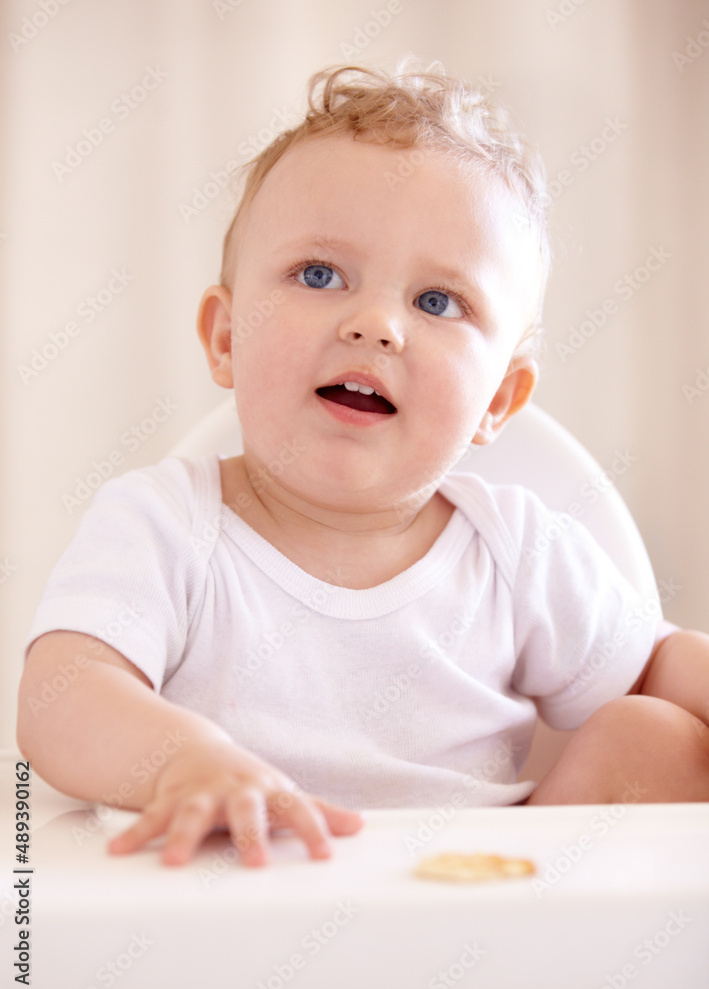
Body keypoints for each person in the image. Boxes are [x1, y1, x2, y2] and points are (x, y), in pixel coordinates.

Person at [17, 61, 709, 869]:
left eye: (437, 301)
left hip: (472, 902)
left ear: (498, 399)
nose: (376, 324)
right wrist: (178, 761)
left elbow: (653, 660)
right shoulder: (165, 524)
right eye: (319, 274)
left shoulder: (513, 550)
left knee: (653, 735)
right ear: (227, 337)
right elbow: (59, 693)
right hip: (241, 892)